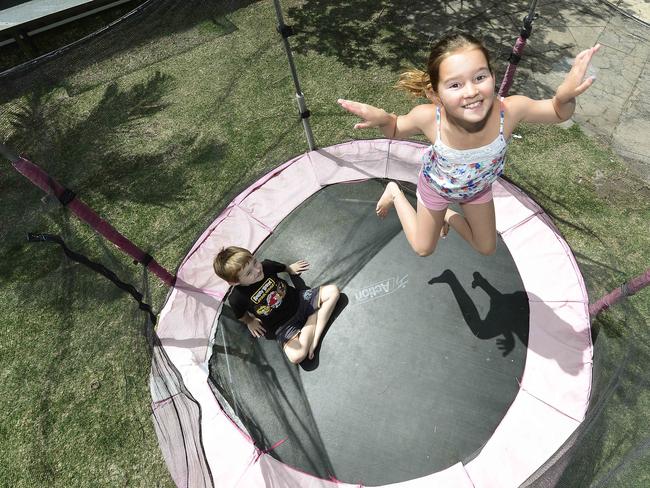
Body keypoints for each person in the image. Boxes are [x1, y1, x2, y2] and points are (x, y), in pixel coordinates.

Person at [338, 33, 600, 257]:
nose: (471, 91)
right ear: (435, 94)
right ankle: (395, 192)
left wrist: (564, 97)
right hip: (436, 189)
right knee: (423, 249)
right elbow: (396, 127)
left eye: (479, 77)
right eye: (455, 84)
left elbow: (556, 112)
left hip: (476, 190)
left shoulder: (509, 111)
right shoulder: (430, 117)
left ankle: (448, 216)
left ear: (493, 76)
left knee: (486, 248)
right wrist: (384, 118)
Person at [213, 246, 340, 364]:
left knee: (332, 291)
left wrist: (290, 269)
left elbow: (281, 267)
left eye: (255, 262)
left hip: (300, 300)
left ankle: (314, 339)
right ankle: (314, 316)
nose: (257, 270)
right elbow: (241, 315)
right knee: (296, 356)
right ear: (234, 282)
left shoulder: (266, 266)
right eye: (248, 273)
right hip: (282, 325)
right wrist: (250, 321)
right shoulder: (237, 298)